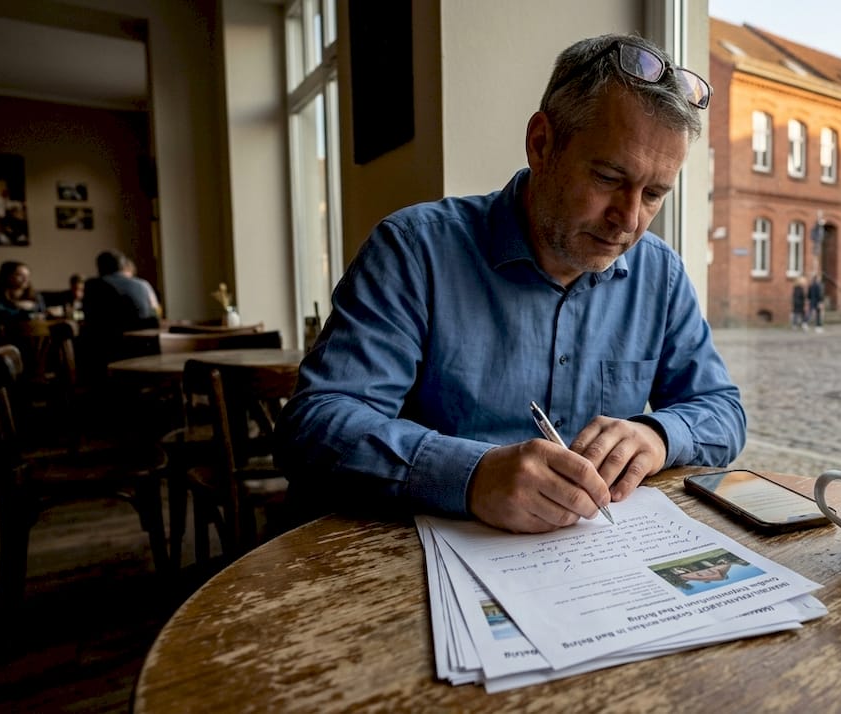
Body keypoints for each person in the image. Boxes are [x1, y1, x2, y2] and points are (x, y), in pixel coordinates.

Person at [277, 33, 744, 535]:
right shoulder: (415, 250)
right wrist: (470, 475)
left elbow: (722, 411)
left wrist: (657, 434)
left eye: (653, 194)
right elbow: (316, 426)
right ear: (542, 143)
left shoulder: (660, 273)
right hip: (416, 564)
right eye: (608, 178)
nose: (628, 220)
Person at [0, 261, 44, 329]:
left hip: (32, 334)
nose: (26, 279)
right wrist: (17, 306)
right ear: (7, 276)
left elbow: (42, 312)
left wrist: (34, 308)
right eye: (20, 275)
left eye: (27, 276)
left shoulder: (35, 295)